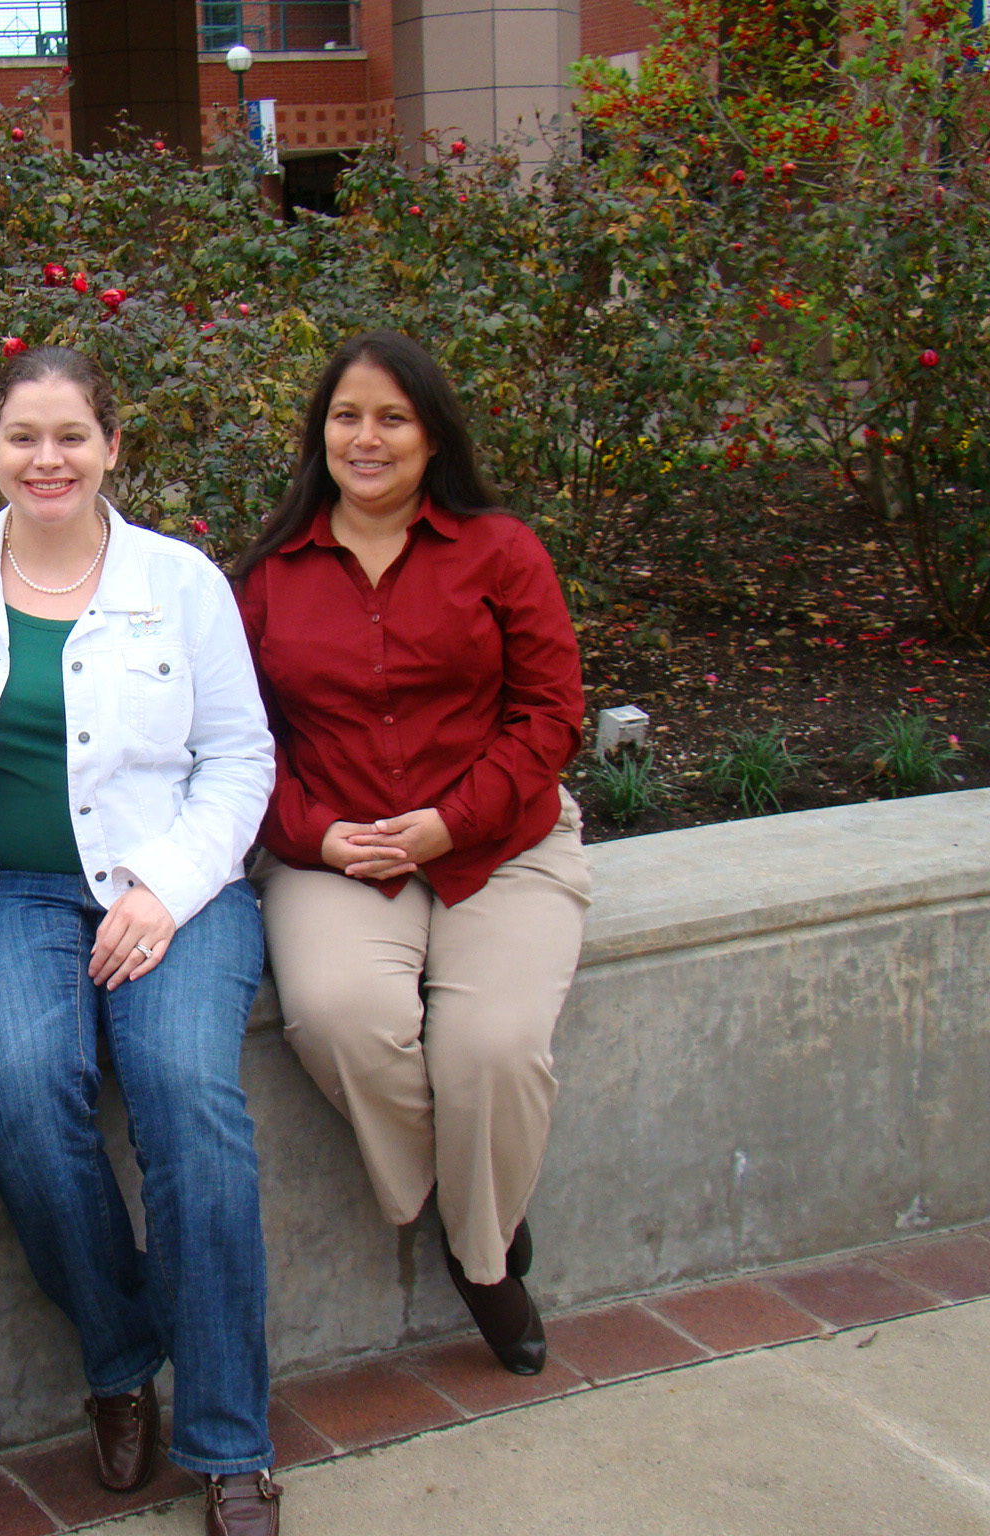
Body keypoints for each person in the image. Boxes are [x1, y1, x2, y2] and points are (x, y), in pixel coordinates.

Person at [0, 347, 283, 1536]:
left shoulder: (180, 581)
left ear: (113, 445)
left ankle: (229, 1441)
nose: (46, 459)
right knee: (17, 1091)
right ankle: (119, 1361)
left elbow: (238, 757)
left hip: (170, 886)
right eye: (22, 437)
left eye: (70, 436)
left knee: (183, 1095)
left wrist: (165, 887)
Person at [236, 330, 591, 1376]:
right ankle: (460, 1205)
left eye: (391, 416)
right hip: (336, 852)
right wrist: (314, 834)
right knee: (341, 1017)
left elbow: (551, 716)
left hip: (501, 843)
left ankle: (478, 1262)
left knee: (490, 1049)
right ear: (318, 436)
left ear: (432, 436)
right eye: (346, 415)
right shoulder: (265, 579)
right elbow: (236, 746)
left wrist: (451, 821)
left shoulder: (500, 552)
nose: (366, 436)